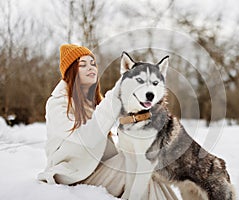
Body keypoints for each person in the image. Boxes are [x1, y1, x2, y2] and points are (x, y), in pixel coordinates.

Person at [37, 44, 178, 200]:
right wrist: (118, 92)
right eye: (82, 65)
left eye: (93, 63)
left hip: (99, 169)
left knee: (146, 167)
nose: (91, 67)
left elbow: (106, 147)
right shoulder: (58, 103)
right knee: (139, 168)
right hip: (75, 173)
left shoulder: (94, 101)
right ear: (71, 71)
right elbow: (85, 138)